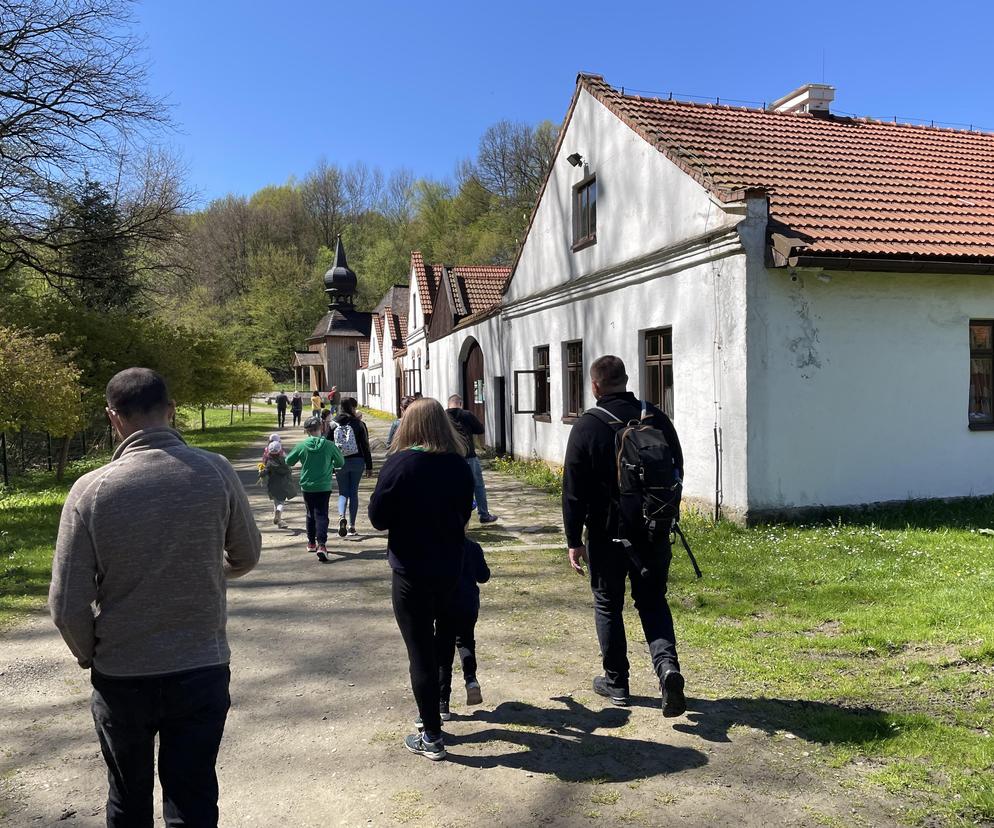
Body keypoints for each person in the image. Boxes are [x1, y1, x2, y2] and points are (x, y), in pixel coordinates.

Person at [49, 367, 261, 828]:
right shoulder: (215, 472)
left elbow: (66, 605)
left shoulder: (91, 491)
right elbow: (246, 555)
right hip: (201, 665)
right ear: (171, 411)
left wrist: (92, 655)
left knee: (126, 799)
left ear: (113, 418)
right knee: (193, 796)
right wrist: (208, 574)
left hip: (123, 674)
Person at [562, 355, 687, 717]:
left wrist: (574, 539)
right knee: (652, 602)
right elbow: (677, 468)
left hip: (605, 535)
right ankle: (667, 670)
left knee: (607, 604)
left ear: (595, 385)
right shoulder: (656, 418)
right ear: (627, 379)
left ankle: (617, 682)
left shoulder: (587, 426)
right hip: (653, 531)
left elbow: (573, 489)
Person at [368, 398, 475, 761]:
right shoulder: (458, 466)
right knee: (442, 639)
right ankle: (439, 704)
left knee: (419, 652)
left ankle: (431, 734)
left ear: (409, 426)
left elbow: (378, 518)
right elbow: (465, 513)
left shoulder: (399, 464)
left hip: (411, 568)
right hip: (450, 566)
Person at [436, 536, 490, 720]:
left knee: (443, 656)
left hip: (445, 607)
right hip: (468, 606)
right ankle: (471, 679)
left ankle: (442, 703)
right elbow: (484, 576)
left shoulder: (439, 547)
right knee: (466, 642)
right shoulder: (473, 547)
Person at [286, 415, 345, 562]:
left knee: (310, 513)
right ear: (322, 428)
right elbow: (340, 462)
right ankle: (322, 545)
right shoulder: (330, 445)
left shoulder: (302, 445)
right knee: (322, 514)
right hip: (324, 486)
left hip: (307, 485)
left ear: (307, 431)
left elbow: (289, 461)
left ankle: (311, 542)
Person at [446, 395, 498, 524]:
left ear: (448, 404)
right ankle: (484, 514)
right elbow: (480, 429)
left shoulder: (443, 416)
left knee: (451, 486)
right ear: (460, 404)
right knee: (478, 485)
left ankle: (453, 515)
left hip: (449, 456)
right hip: (469, 455)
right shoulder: (466, 415)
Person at [332, 397, 373, 537]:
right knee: (353, 492)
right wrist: (369, 465)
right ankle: (351, 526)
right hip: (357, 461)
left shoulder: (333, 424)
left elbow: (328, 445)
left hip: (339, 462)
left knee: (343, 492)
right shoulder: (358, 424)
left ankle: (341, 516)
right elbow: (365, 445)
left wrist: (329, 465)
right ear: (352, 407)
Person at [259, 434, 297, 528]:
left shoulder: (269, 463)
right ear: (280, 450)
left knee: (276, 501)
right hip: (284, 485)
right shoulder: (285, 461)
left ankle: (279, 519)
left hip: (273, 485)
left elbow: (264, 473)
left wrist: (261, 473)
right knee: (281, 503)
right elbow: (289, 470)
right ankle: (278, 513)